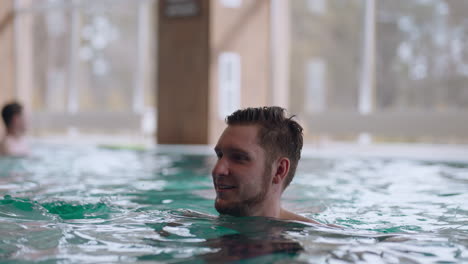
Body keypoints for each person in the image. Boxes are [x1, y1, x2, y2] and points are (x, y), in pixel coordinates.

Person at [212, 106, 323, 224]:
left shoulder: (324, 237)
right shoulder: (193, 221)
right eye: (220, 155)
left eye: (239, 158)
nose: (217, 170)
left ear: (279, 170)